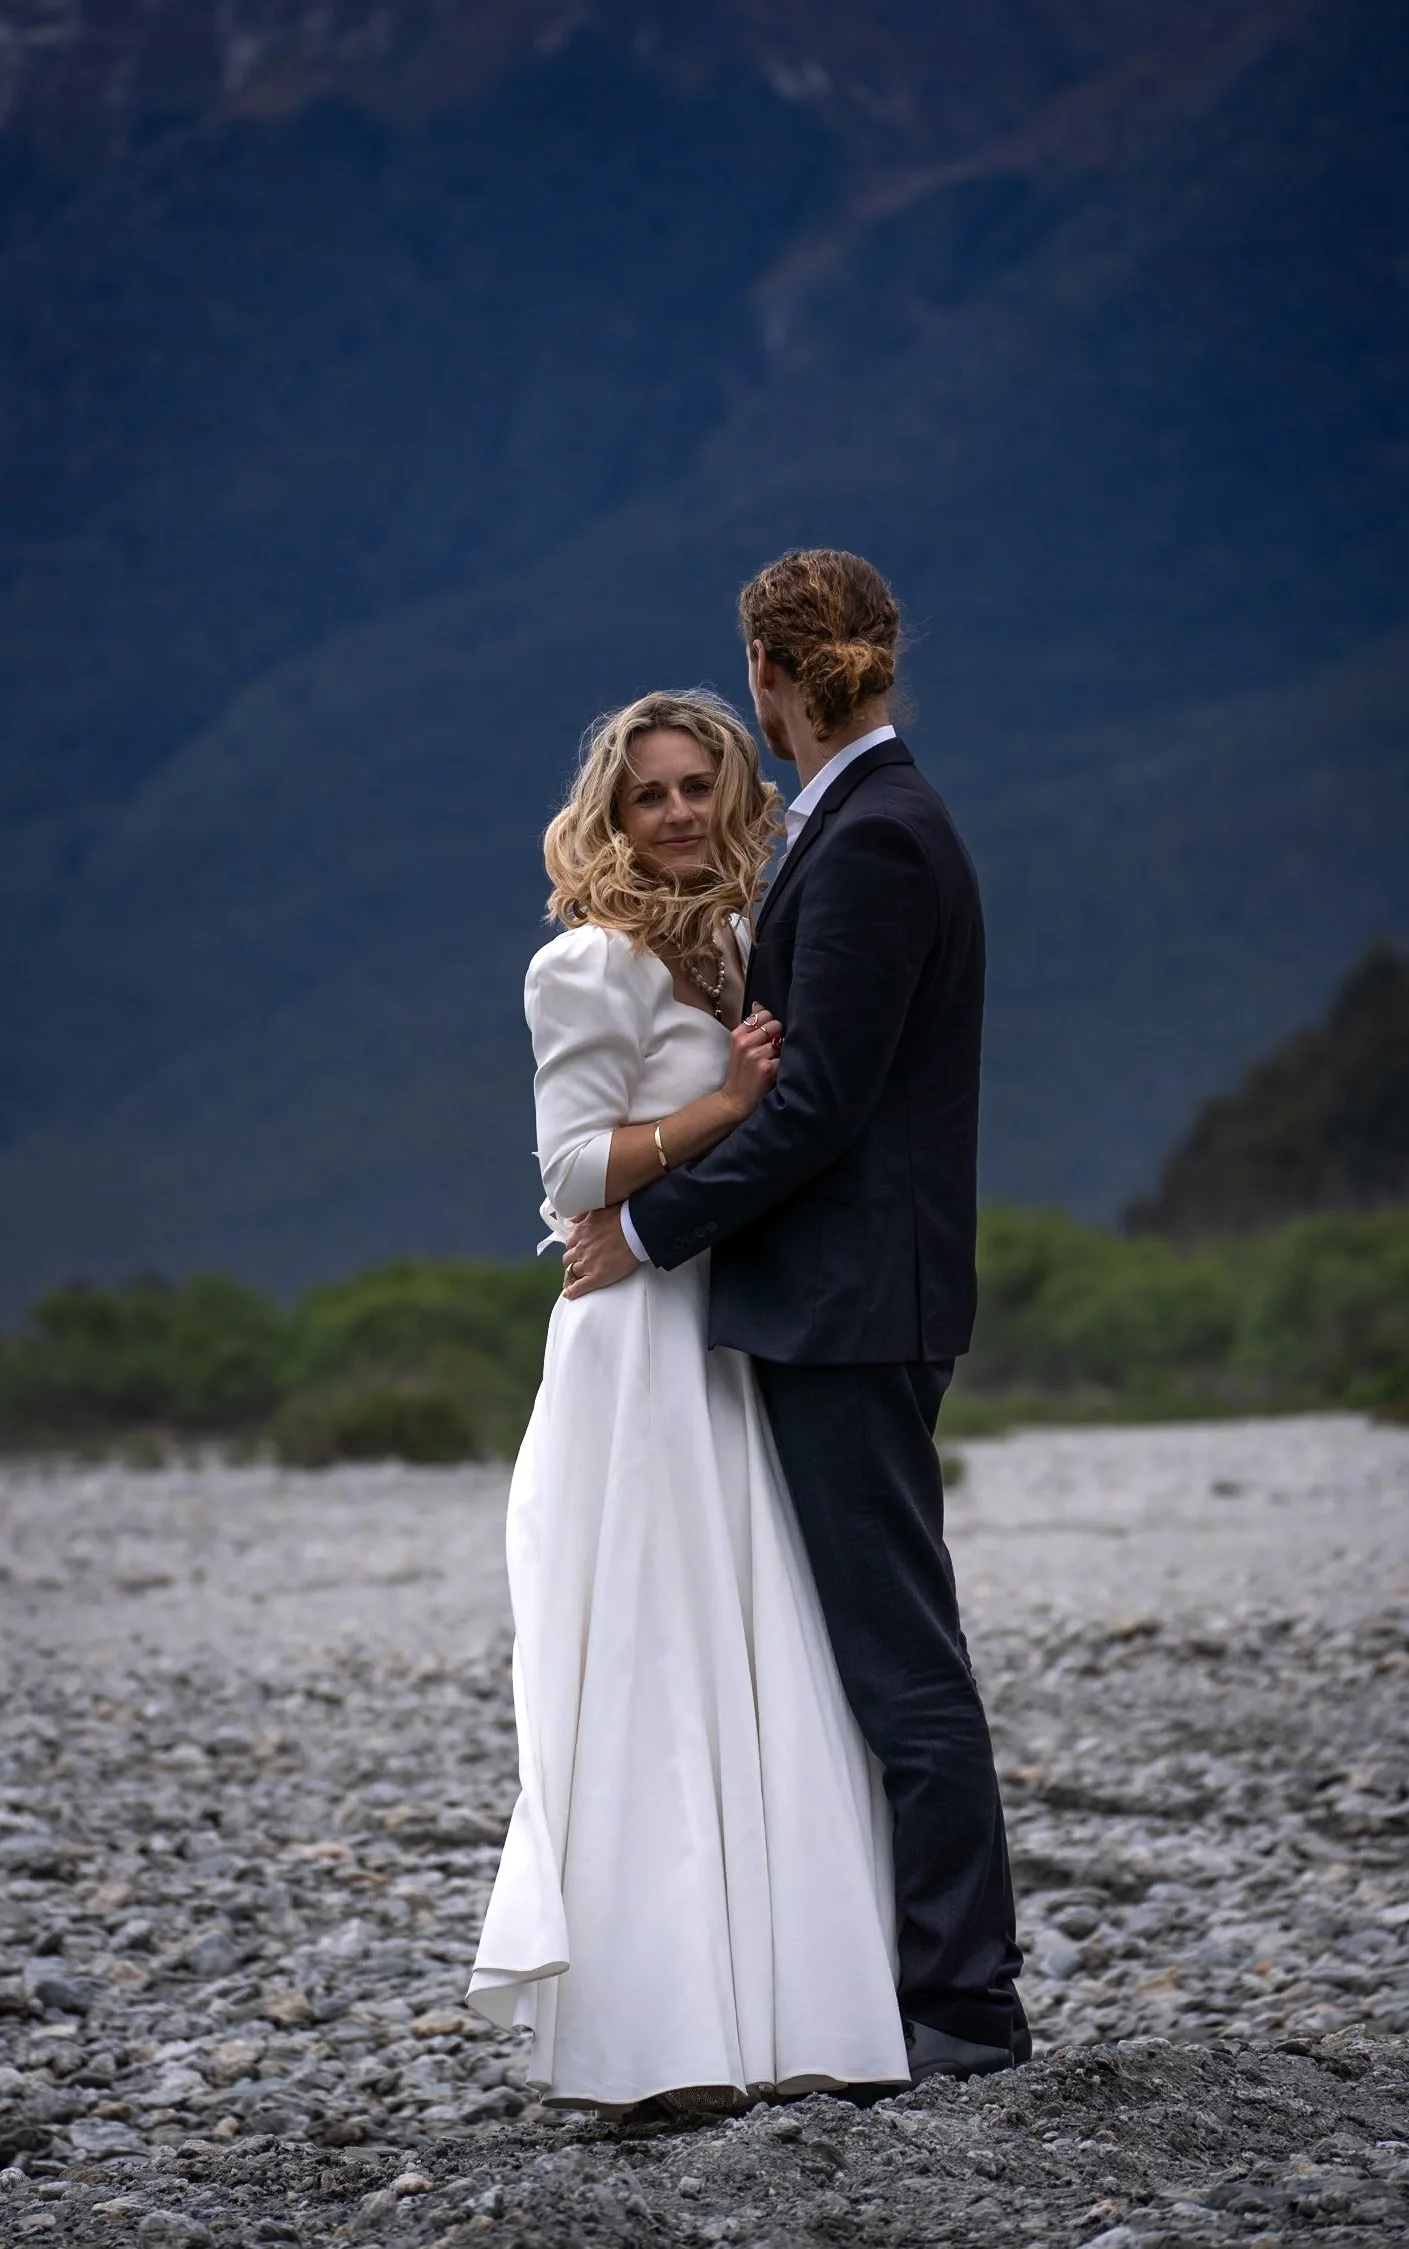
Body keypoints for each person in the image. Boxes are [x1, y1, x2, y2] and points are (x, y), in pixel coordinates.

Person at [564, 549, 1029, 2086]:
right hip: (847, 1300)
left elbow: (822, 1106)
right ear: (883, 659)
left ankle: (964, 2006)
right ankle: (902, 1985)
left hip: (853, 1307)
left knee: (900, 1662)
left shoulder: (880, 840)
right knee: (878, 1656)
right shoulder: (865, 825)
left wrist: (649, 1227)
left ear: (770, 680)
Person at [465, 687, 911, 2115]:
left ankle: (790, 2021)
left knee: (760, 1655)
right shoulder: (583, 965)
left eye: (696, 788)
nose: (674, 814)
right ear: (608, 813)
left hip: (725, 1328)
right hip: (636, 1341)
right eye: (646, 793)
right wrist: (721, 1109)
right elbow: (571, 1177)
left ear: (733, 797)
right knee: (656, 1659)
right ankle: (654, 2042)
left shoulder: (739, 939)